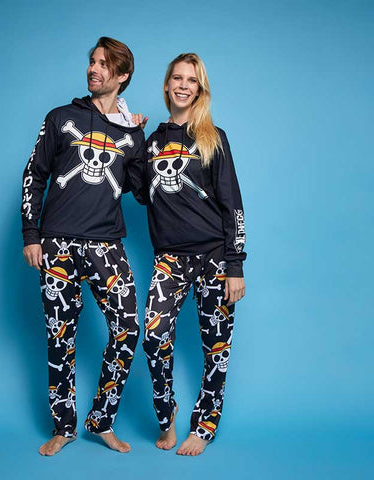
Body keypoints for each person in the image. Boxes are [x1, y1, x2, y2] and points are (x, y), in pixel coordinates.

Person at [21, 37, 146, 456]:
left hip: (106, 245)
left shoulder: (130, 132)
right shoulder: (61, 118)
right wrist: (31, 234)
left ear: (122, 76)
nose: (94, 69)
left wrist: (137, 137)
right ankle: (64, 427)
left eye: (104, 64)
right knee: (60, 338)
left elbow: (141, 192)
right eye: (92, 61)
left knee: (127, 328)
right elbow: (34, 174)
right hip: (56, 244)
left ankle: (102, 421)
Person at [142, 53, 246, 456]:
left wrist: (235, 265)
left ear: (200, 89)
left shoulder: (212, 138)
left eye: (191, 80)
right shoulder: (152, 144)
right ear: (166, 85)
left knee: (216, 349)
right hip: (170, 258)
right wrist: (130, 137)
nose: (183, 85)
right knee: (154, 337)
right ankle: (166, 414)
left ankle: (204, 425)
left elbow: (233, 205)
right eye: (177, 78)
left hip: (215, 257)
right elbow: (139, 192)